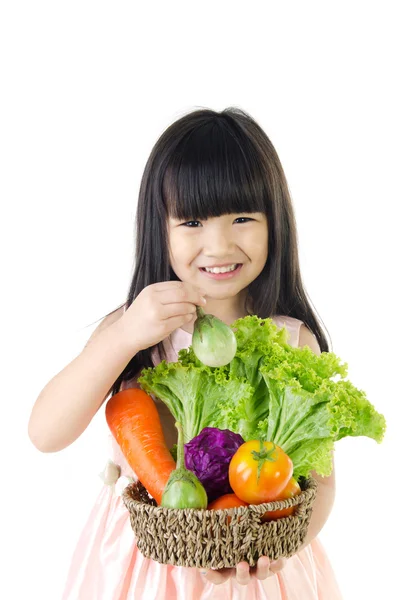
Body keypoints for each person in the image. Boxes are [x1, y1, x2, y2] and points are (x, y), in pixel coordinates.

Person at [28, 107, 343, 599]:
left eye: (242, 218)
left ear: (274, 222)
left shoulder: (290, 341)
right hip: (136, 566)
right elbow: (45, 434)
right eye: (192, 221)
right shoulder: (136, 329)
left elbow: (319, 487)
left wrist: (282, 546)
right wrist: (123, 335)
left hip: (256, 573)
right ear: (161, 227)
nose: (217, 245)